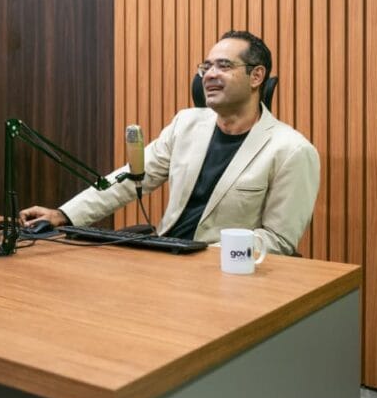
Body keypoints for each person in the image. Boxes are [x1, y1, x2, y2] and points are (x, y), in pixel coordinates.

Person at [21, 30, 320, 255]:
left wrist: (204, 256)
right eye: (206, 67)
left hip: (224, 275)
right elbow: (130, 180)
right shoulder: (185, 124)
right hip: (165, 258)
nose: (210, 75)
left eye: (224, 66)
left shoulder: (291, 150)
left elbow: (278, 240)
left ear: (256, 76)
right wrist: (64, 214)